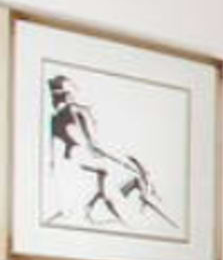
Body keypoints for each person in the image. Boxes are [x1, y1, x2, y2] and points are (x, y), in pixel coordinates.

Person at [44, 72, 179, 233]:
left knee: (121, 176)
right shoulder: (78, 111)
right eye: (73, 91)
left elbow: (54, 154)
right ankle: (146, 201)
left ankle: (132, 201)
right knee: (134, 171)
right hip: (87, 160)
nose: (75, 94)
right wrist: (124, 162)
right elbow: (95, 146)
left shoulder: (54, 118)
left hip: (74, 161)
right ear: (68, 94)